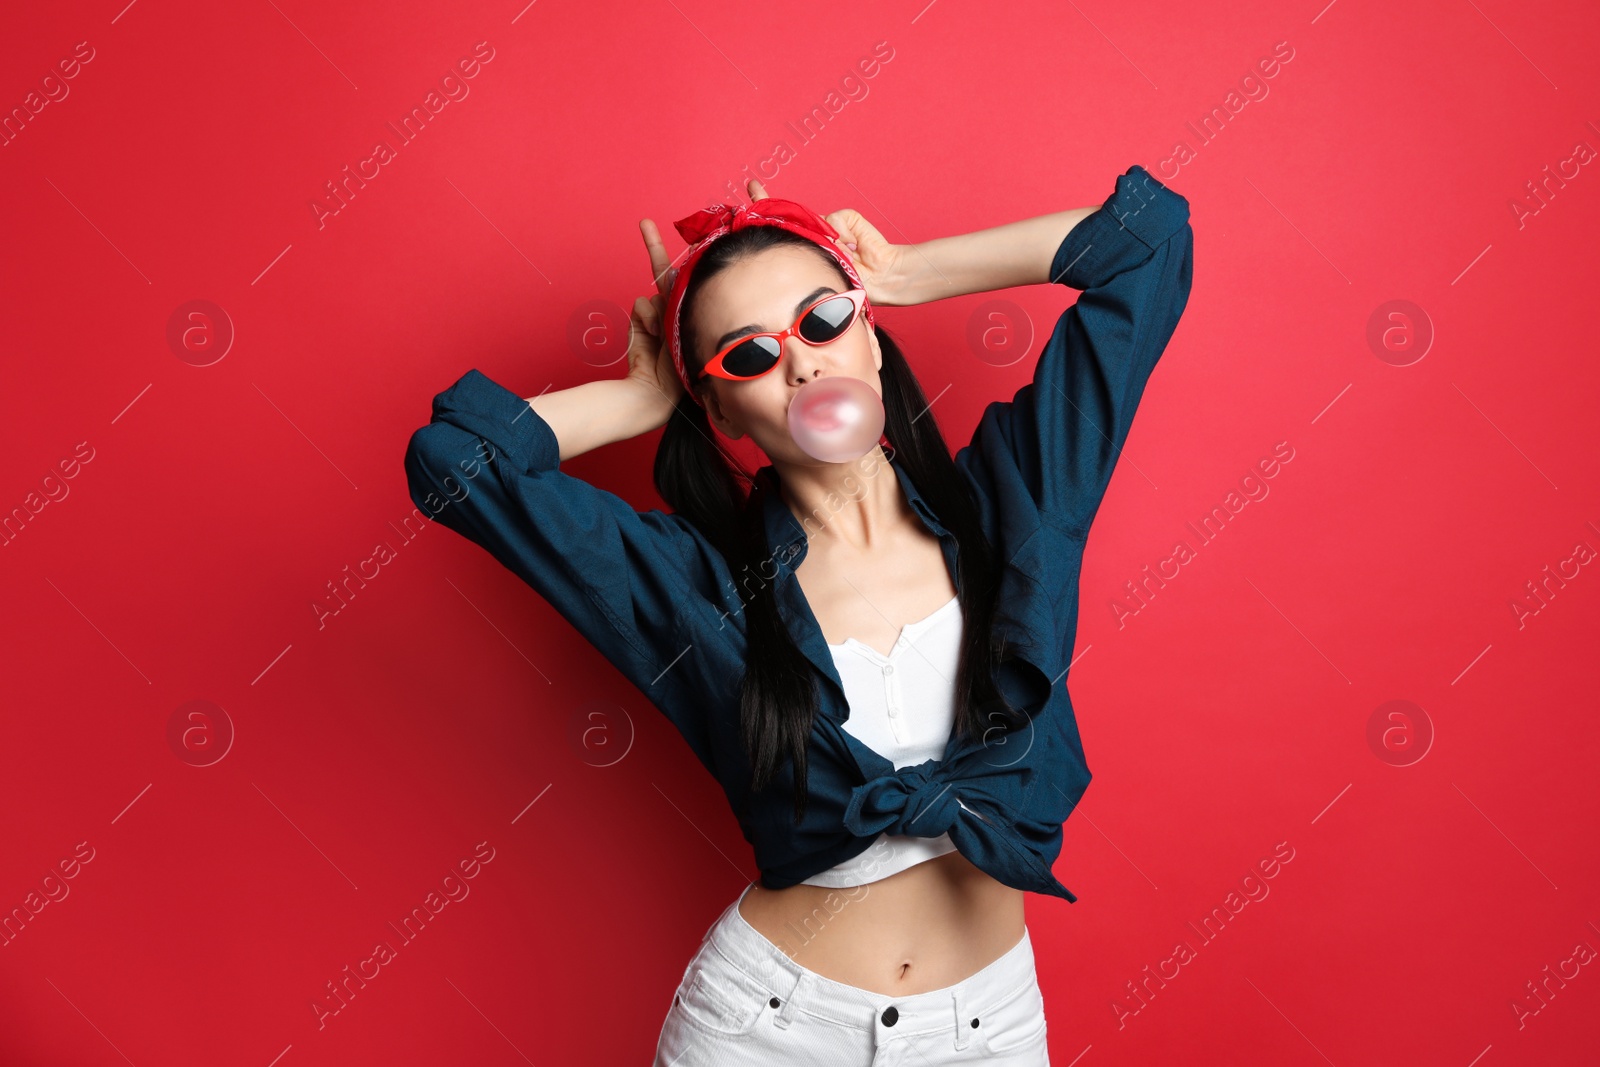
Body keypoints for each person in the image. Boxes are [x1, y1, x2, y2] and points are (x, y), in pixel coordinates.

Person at [403, 165, 1193, 1065]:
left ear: (872, 340)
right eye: (747, 354)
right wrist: (644, 399)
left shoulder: (1017, 506)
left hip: (991, 1029)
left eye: (823, 318)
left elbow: (1150, 243)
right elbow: (452, 462)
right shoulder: (695, 590)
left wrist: (900, 273)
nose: (803, 359)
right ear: (722, 410)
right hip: (766, 1032)